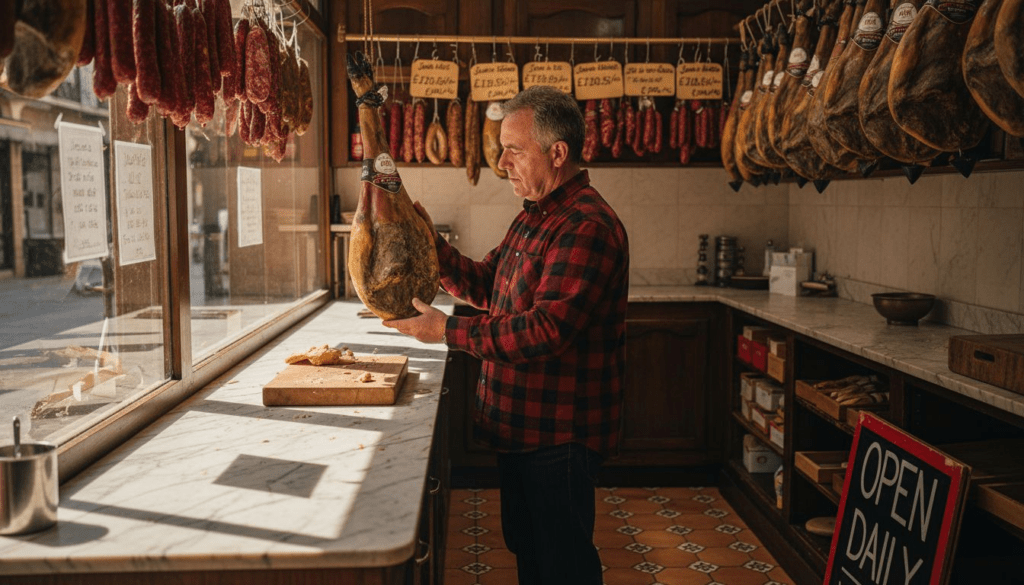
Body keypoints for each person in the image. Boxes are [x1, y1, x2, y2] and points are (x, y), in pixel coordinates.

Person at [382, 85, 629, 585]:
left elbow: (545, 330)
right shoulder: (535, 217)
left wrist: (446, 330)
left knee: (564, 566)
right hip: (522, 429)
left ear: (557, 153)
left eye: (513, 149)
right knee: (530, 553)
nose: (501, 161)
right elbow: (486, 285)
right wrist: (432, 245)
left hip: (560, 434)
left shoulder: (586, 226)